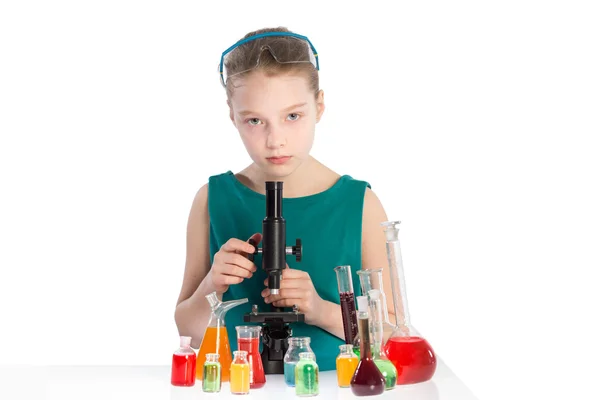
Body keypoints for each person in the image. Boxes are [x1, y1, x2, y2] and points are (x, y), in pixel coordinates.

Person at [174, 26, 396, 371]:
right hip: (238, 387)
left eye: (292, 116)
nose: (275, 140)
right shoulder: (211, 200)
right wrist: (213, 284)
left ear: (319, 106)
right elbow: (188, 330)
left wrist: (320, 310)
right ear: (232, 115)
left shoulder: (360, 204)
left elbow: (392, 332)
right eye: (254, 120)